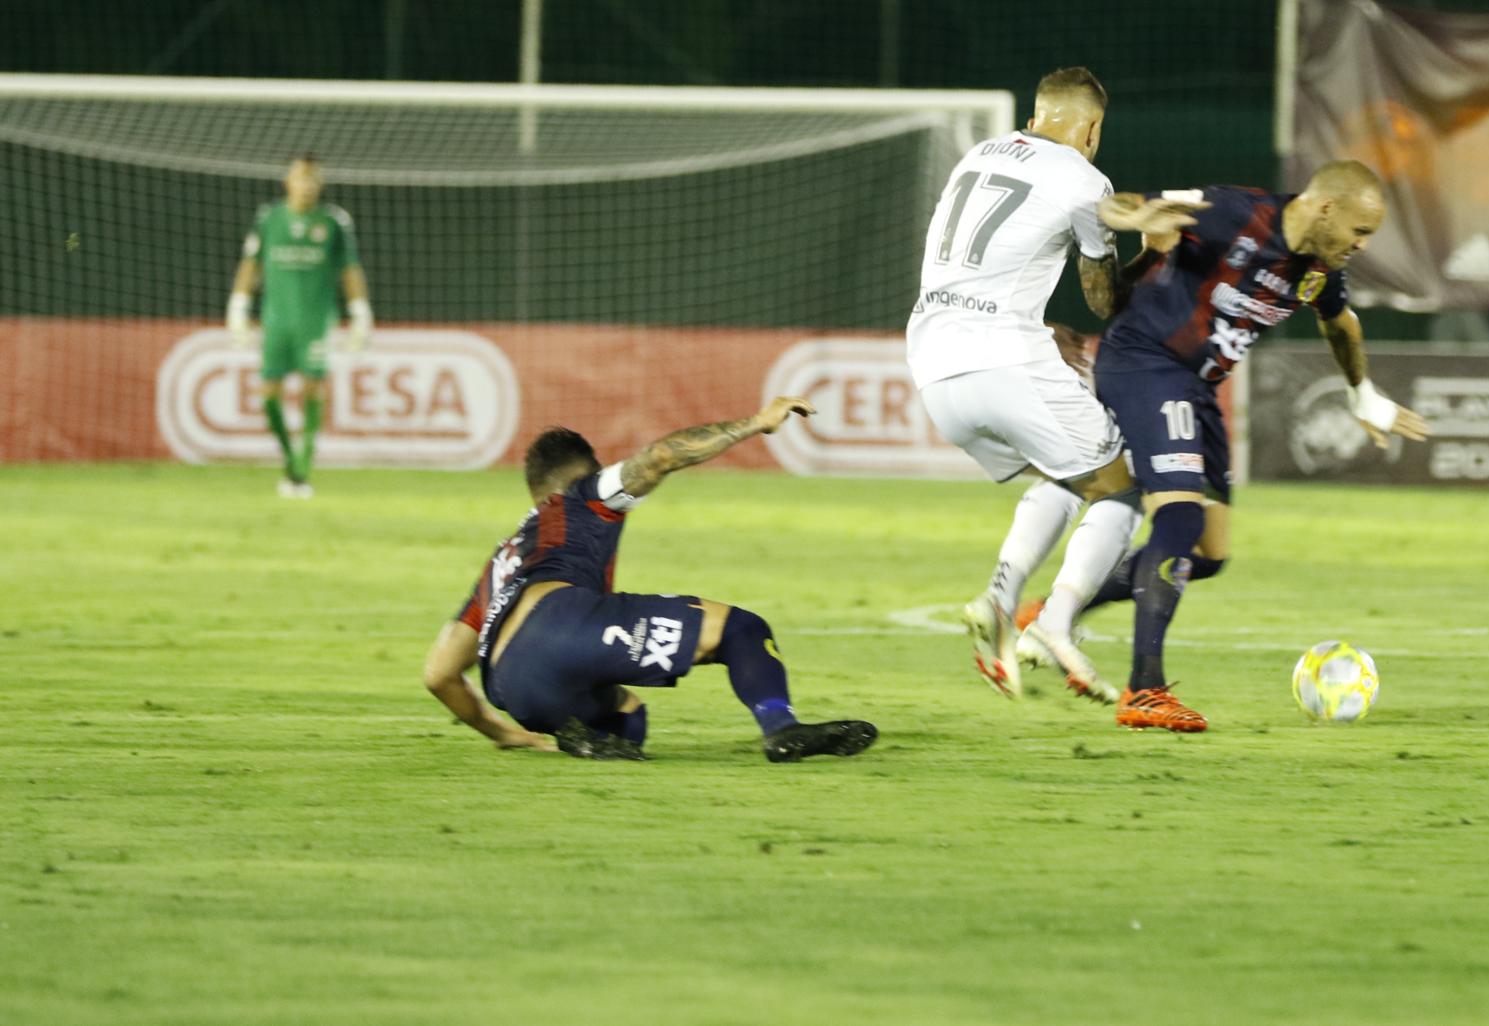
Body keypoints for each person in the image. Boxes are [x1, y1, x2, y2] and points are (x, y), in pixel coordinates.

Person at [1086, 159, 1432, 732]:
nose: (1363, 245)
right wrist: (1138, 215)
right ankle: (1143, 690)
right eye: (1360, 231)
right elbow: (1114, 203)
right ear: (1326, 209)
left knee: (1209, 555)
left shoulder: (1320, 269)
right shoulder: (1235, 211)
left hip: (1199, 385)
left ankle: (1055, 610)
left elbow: (1340, 324)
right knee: (1178, 522)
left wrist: (1362, 395)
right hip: (1147, 361)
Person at [905, 66, 1202, 703]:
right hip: (1006, 357)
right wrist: (1153, 250)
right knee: (1121, 488)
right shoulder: (1083, 178)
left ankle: (1000, 595)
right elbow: (1103, 300)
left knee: (1063, 476)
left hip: (931, 367)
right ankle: (1055, 625)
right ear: (1092, 128)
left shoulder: (978, 154)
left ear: (1037, 114)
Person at [424, 397, 879, 763]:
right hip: (559, 626)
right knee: (741, 629)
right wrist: (756, 423)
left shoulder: (502, 561)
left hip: (515, 691)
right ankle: (781, 729)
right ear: (584, 471)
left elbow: (440, 675)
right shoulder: (583, 496)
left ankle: (583, 741)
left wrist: (505, 734)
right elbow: (660, 457)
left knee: (629, 716)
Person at [226, 154, 373, 499]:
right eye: (301, 178)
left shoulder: (333, 222)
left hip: (315, 321)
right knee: (269, 394)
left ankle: (301, 471)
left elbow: (349, 269)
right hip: (276, 320)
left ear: (319, 185)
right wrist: (238, 306)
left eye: (313, 180)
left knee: (311, 389)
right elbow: (251, 264)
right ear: (287, 181)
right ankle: (291, 461)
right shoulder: (269, 219)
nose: (306, 186)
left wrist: (360, 312)